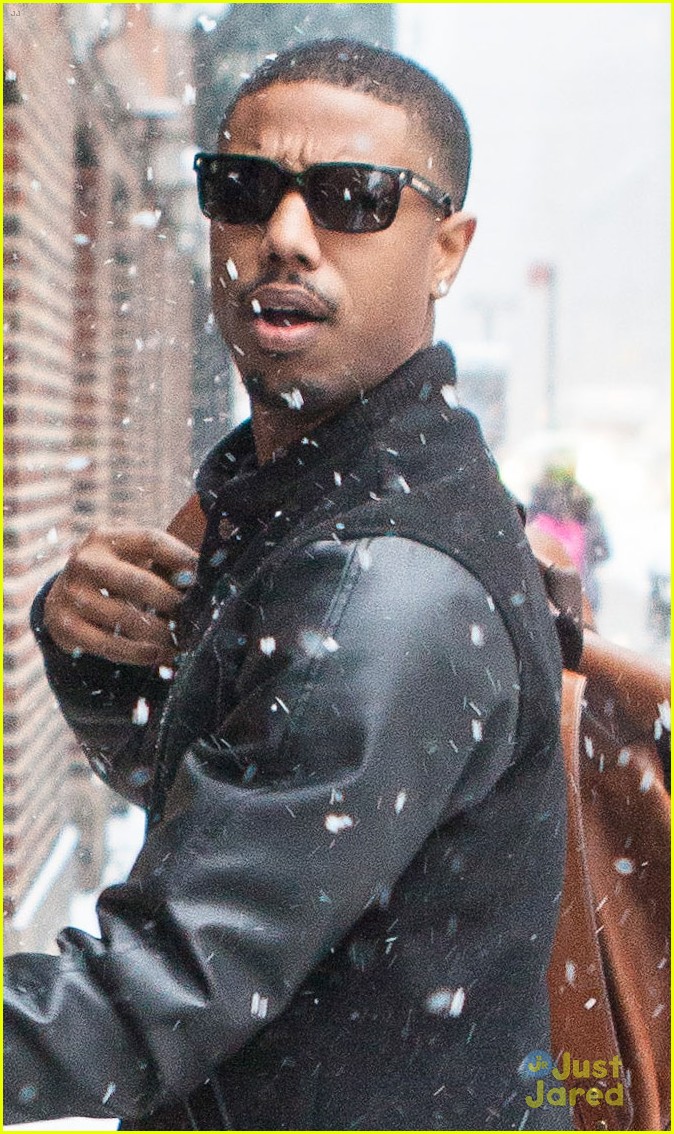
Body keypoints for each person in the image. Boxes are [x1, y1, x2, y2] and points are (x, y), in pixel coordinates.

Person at [4, 40, 566, 1131]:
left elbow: (163, 989)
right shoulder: (322, 486)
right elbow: (241, 799)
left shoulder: (385, 581)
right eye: (245, 188)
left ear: (446, 250)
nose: (287, 236)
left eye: (355, 198)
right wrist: (95, 658)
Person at [528, 460, 610, 613]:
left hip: (540, 595)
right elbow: (604, 552)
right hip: (580, 597)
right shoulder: (586, 510)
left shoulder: (535, 508)